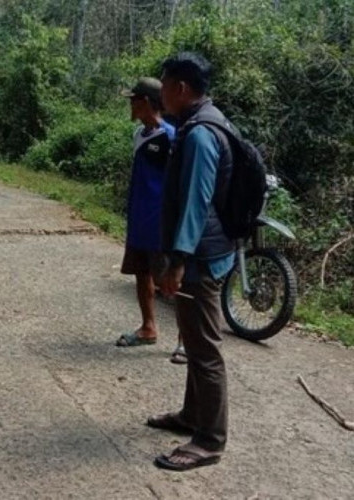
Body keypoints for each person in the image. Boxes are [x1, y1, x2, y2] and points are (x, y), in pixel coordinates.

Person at [148, 53, 236, 471]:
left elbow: (197, 203)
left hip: (200, 255)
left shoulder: (201, 133)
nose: (159, 93)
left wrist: (178, 259)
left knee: (205, 349)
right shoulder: (205, 121)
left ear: (181, 88)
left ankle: (210, 440)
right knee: (194, 337)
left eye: (164, 85)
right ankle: (191, 415)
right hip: (202, 251)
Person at [115, 78, 186, 364]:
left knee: (173, 284)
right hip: (139, 218)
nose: (130, 105)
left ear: (145, 102)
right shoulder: (138, 134)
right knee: (141, 273)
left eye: (133, 100)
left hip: (160, 223)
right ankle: (148, 328)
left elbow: (177, 183)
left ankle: (185, 341)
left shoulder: (171, 136)